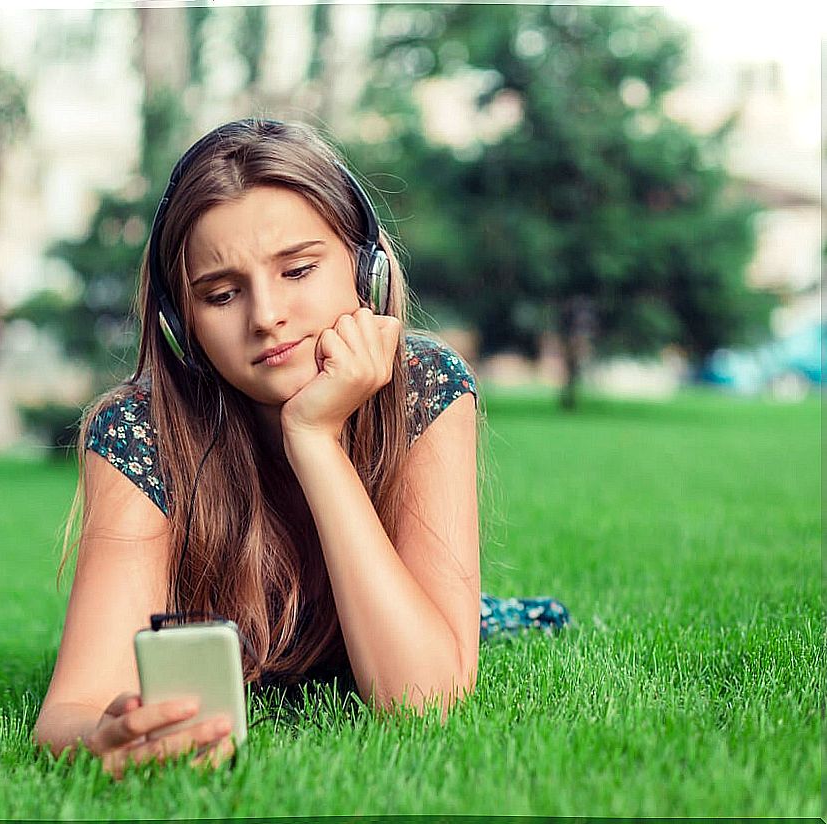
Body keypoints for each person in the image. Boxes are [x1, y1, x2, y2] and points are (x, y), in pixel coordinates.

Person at [32, 118, 569, 777]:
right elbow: (70, 709)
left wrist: (313, 439)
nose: (265, 316)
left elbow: (423, 701)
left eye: (298, 270)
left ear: (364, 273)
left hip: (394, 621)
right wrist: (104, 736)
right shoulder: (138, 428)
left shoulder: (426, 385)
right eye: (222, 294)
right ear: (182, 327)